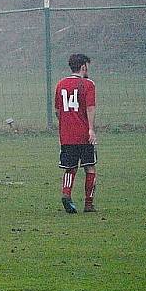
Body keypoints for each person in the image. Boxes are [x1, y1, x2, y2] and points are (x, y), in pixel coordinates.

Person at [55, 53, 97, 213]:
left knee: (70, 167)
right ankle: (88, 204)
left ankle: (66, 194)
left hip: (66, 135)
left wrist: (66, 123)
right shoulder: (88, 84)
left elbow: (58, 111)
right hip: (84, 135)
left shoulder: (60, 84)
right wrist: (91, 129)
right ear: (83, 66)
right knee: (90, 167)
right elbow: (90, 107)